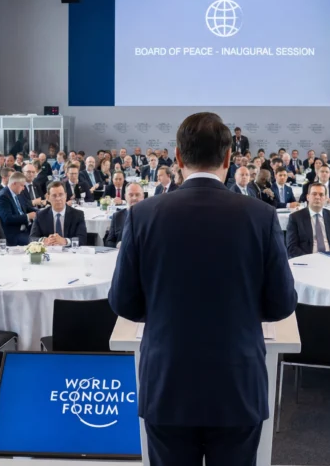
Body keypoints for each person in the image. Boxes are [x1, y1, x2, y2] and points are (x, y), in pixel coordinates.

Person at [109, 113, 295, 465]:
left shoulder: (142, 215)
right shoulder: (261, 216)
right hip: (237, 383)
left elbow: (124, 303)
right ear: (228, 159)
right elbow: (282, 303)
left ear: (177, 158)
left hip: (168, 382)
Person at [286, 182, 330, 258]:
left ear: (325, 198)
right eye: (314, 194)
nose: (317, 197)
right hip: (307, 261)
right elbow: (292, 248)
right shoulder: (295, 218)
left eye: (321, 195)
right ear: (308, 197)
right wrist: (311, 259)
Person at [30, 181, 88, 246]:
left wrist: (65, 241)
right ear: (48, 198)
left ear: (65, 196)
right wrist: (44, 240)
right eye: (54, 195)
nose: (58, 199)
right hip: (49, 253)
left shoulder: (78, 215)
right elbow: (32, 238)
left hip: (70, 254)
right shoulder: (40, 215)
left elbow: (82, 239)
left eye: (61, 195)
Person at [0, 172, 36, 246]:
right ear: (14, 183)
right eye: (22, 185)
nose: (23, 188)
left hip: (24, 229)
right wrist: (28, 216)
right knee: (36, 244)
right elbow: (8, 219)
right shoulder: (2, 197)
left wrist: (42, 212)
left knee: (43, 236)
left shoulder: (17, 194)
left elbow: (27, 207)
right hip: (12, 235)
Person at [103, 183, 144, 248]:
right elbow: (108, 242)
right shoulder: (117, 216)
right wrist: (117, 245)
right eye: (131, 195)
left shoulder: (151, 216)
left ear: (143, 196)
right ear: (125, 196)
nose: (134, 198)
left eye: (137, 195)